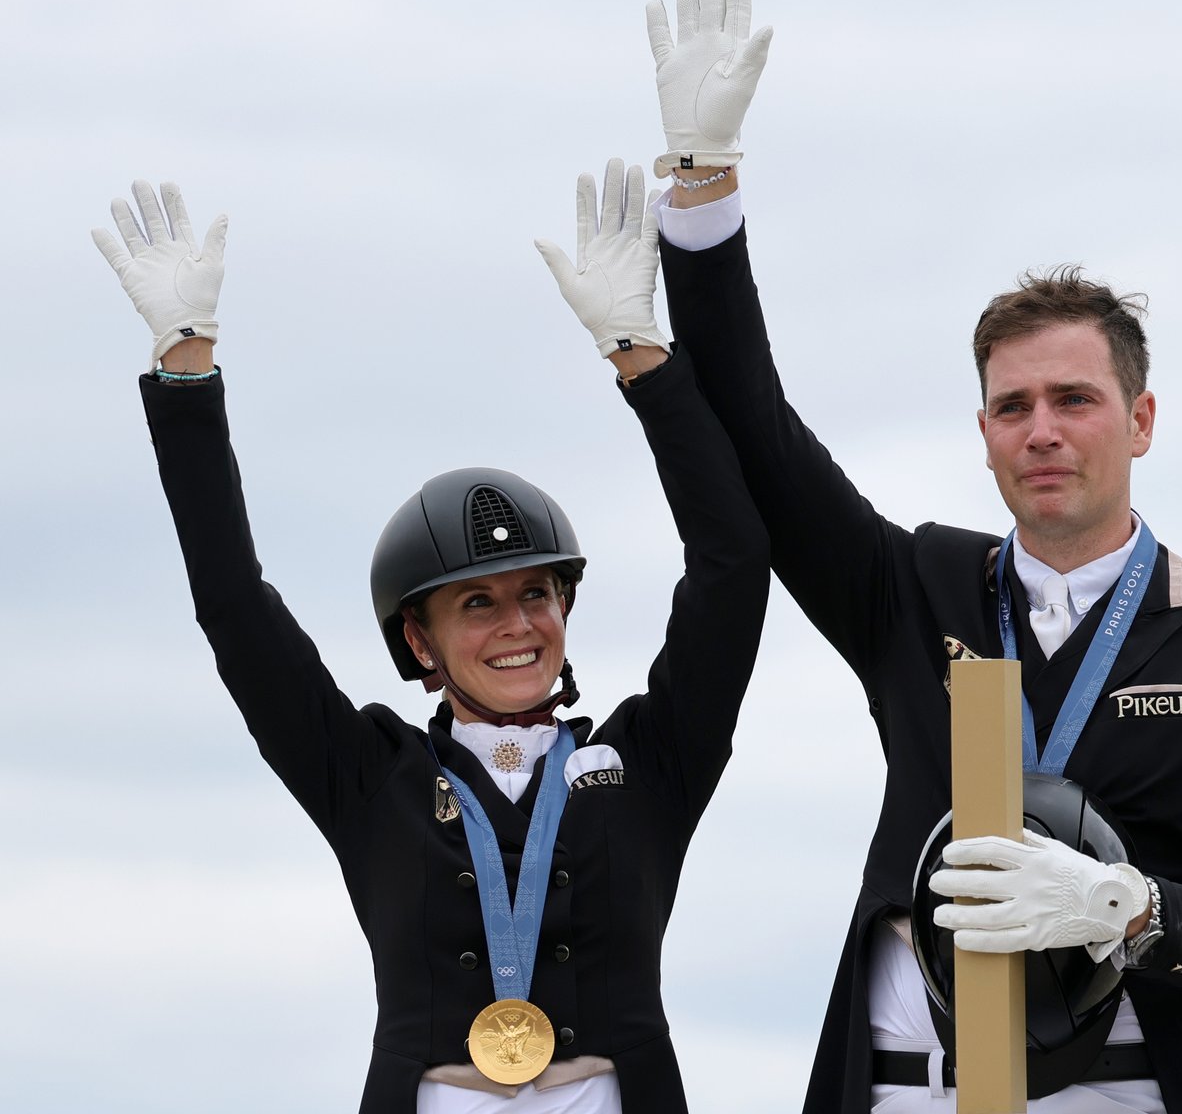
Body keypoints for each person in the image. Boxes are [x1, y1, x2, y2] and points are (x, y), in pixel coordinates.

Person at [629, 0, 1182, 1110]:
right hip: (905, 1089)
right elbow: (754, 429)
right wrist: (702, 197)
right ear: (984, 434)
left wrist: (1127, 906)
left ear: (1143, 420)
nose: (1040, 432)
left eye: (1073, 399)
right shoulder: (917, 587)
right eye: (1012, 407)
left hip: (1121, 1089)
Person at [95, 162, 770, 1114]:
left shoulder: (649, 761)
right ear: (418, 639)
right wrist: (185, 370)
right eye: (478, 605)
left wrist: (641, 358)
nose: (517, 625)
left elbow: (733, 565)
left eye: (535, 594)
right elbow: (236, 610)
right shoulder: (368, 776)